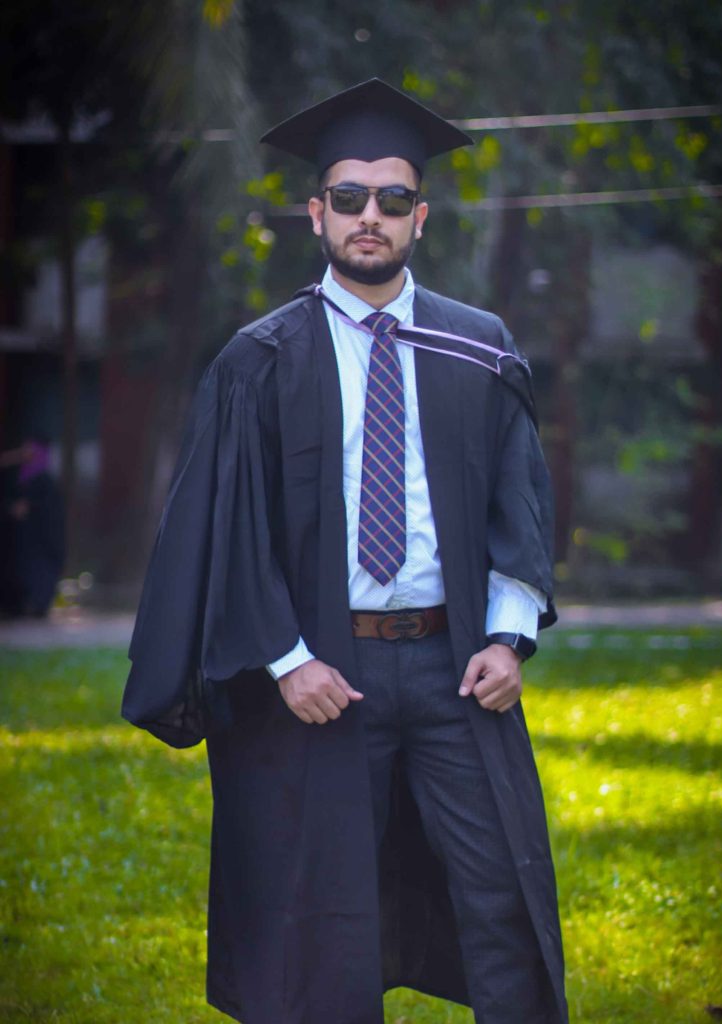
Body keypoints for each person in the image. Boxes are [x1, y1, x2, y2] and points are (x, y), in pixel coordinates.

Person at [122, 79, 567, 1024]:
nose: (373, 216)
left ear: (421, 216)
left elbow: (516, 499)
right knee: (316, 911)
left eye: (394, 199)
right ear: (315, 210)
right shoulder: (260, 359)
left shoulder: (477, 348)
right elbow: (226, 532)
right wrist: (285, 660)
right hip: (321, 674)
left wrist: (509, 635)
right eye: (352, 197)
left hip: (455, 668)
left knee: (501, 893)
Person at [0, 436, 65, 618]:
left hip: (40, 543)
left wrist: (30, 508)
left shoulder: (46, 481)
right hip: (17, 542)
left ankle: (35, 606)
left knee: (38, 575)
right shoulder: (14, 476)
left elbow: (51, 513)